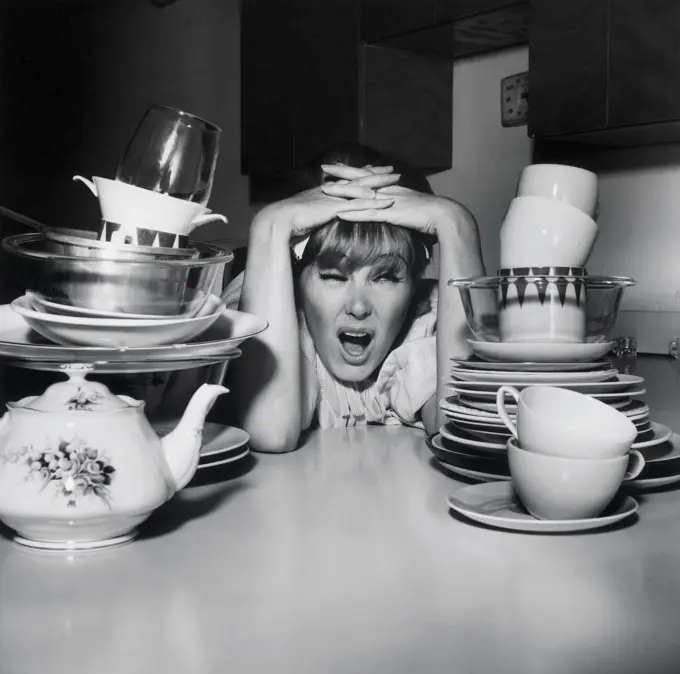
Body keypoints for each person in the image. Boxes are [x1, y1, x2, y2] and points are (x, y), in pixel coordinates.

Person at [225, 144, 485, 452]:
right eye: (334, 276)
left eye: (386, 277)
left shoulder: (424, 327)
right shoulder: (266, 313)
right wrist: (270, 224)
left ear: (415, 285)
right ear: (293, 280)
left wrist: (457, 225)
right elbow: (271, 431)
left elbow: (466, 430)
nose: (359, 307)